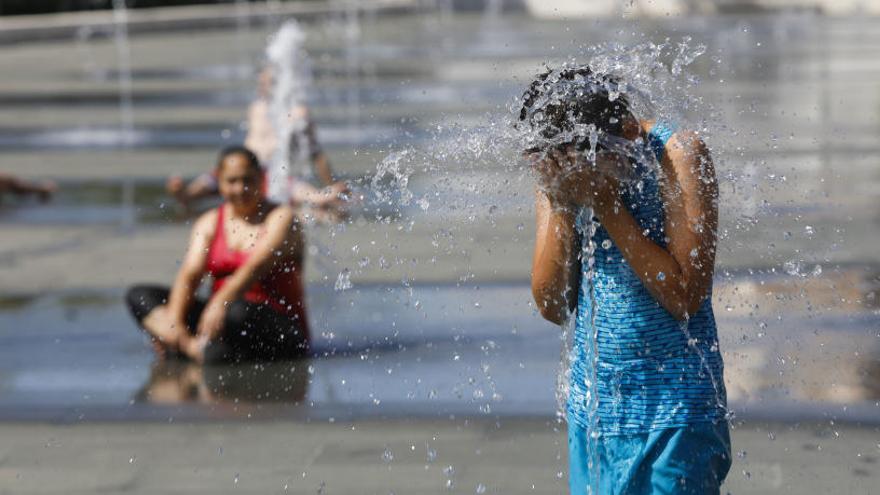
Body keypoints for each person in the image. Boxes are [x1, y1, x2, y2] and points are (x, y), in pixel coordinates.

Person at [524, 66, 731, 494]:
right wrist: (563, 202)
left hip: (676, 414)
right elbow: (552, 306)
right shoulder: (563, 157)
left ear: (629, 132)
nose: (578, 171)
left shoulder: (678, 155)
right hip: (594, 411)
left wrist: (606, 205)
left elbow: (684, 296)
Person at [128, 146, 309, 364]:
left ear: (261, 179)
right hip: (219, 320)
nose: (240, 188)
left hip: (275, 326)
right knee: (140, 295)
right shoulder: (209, 222)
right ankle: (190, 347)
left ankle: (202, 351)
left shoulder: (282, 217)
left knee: (237, 311)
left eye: (248, 180)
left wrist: (221, 302)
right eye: (232, 181)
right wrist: (175, 325)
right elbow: (190, 275)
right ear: (220, 183)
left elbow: (257, 265)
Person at [167, 67, 347, 215]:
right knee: (213, 179)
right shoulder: (256, 107)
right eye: (261, 82)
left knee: (291, 187)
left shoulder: (299, 112)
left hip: (272, 169)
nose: (262, 87)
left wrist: (330, 182)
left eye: (268, 82)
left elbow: (316, 153)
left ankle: (321, 196)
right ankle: (187, 193)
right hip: (245, 163)